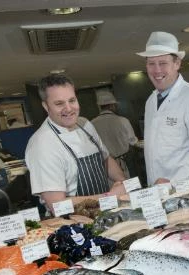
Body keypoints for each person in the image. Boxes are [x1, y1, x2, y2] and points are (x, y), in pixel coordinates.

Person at [25, 73, 126, 214]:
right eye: (59, 103)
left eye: (72, 100)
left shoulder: (84, 124)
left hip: (105, 212)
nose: (69, 109)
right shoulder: (42, 145)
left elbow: (105, 158)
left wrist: (122, 182)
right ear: (46, 106)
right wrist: (109, 197)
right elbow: (57, 205)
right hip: (73, 223)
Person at [136, 31, 189, 185]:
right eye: (151, 63)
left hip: (186, 190)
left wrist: (174, 181)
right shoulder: (151, 101)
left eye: (163, 63)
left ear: (177, 64)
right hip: (158, 190)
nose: (157, 70)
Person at [90, 89, 139, 179]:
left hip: (106, 165)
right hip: (125, 162)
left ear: (100, 107)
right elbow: (133, 141)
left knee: (113, 190)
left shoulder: (91, 124)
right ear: (112, 106)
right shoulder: (123, 120)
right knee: (131, 187)